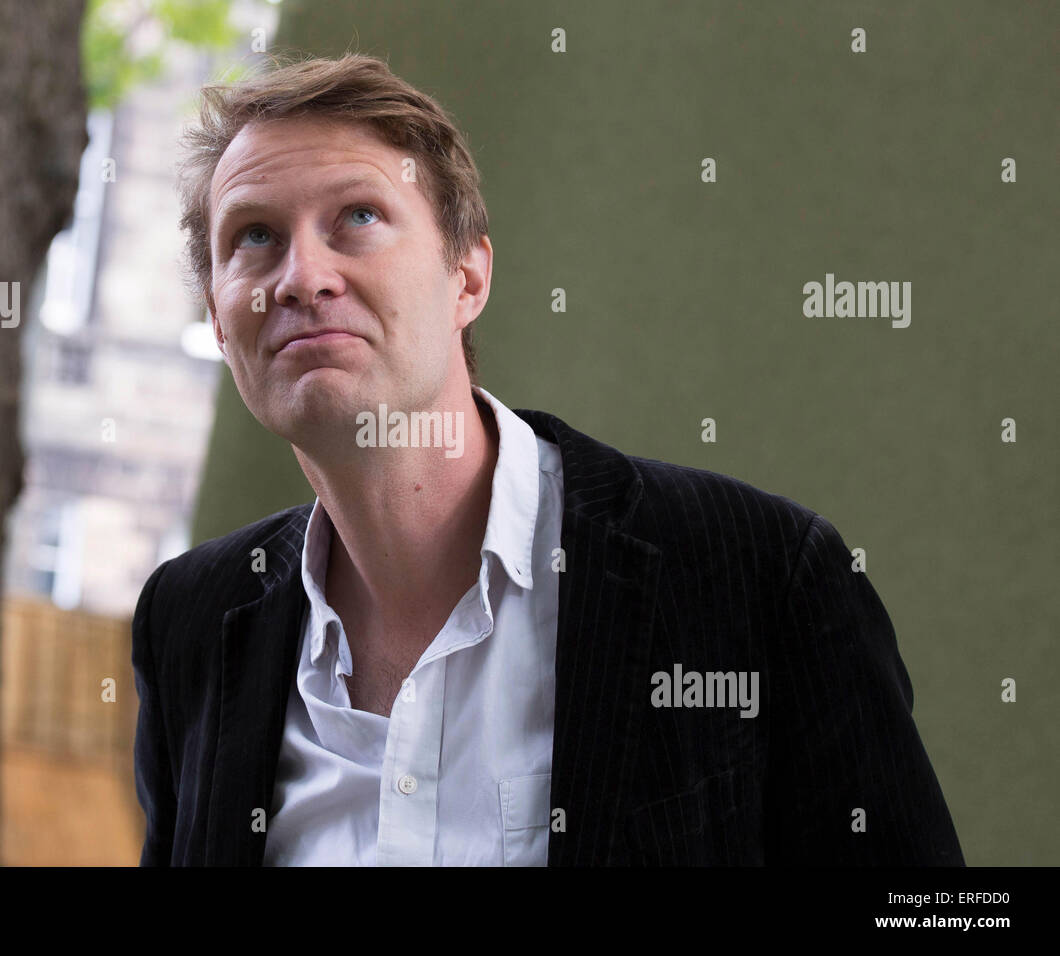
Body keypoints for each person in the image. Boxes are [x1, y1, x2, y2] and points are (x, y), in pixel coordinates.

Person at [131, 53, 964, 866]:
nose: (302, 275)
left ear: (468, 277)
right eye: (255, 237)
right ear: (218, 315)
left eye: (358, 217)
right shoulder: (192, 622)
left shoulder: (758, 577)